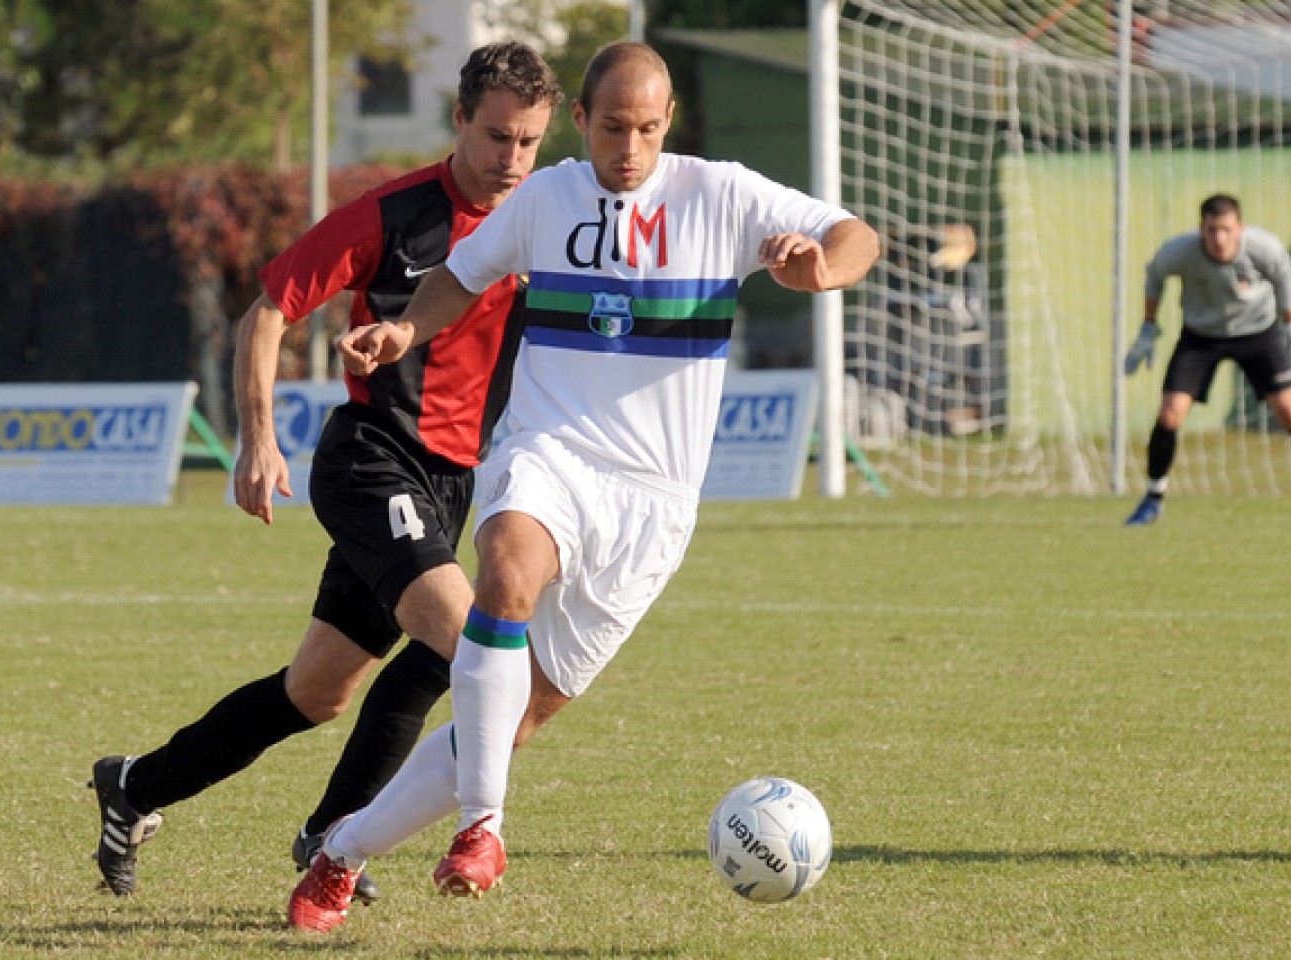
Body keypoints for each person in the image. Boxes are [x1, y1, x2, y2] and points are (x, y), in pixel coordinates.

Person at [287, 41, 880, 933]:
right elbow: (460, 275)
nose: (629, 148)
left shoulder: (720, 195)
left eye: (646, 128)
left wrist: (823, 266)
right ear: (582, 121)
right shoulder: (549, 197)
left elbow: (855, 234)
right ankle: (482, 828)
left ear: (668, 122)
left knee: (513, 721)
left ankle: (343, 850)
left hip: (655, 505)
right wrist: (405, 333)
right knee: (504, 571)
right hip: (550, 451)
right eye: (612, 127)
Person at [89, 42, 563, 901]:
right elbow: (266, 313)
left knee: (316, 693)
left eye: (529, 142)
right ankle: (336, 835)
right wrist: (258, 439)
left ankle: (134, 787)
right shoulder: (392, 215)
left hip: (456, 485)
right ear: (458, 120)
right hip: (372, 460)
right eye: (496, 136)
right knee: (472, 649)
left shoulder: (542, 218)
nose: (511, 160)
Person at [1122, 193, 1291, 527]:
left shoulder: (1264, 248)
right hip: (1201, 336)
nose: (1219, 238)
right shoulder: (1179, 252)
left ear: (1240, 228)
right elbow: (1154, 275)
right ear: (1201, 228)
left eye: (1227, 230)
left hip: (1258, 334)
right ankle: (1152, 499)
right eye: (1212, 229)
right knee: (1170, 413)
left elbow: (1285, 277)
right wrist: (1148, 326)